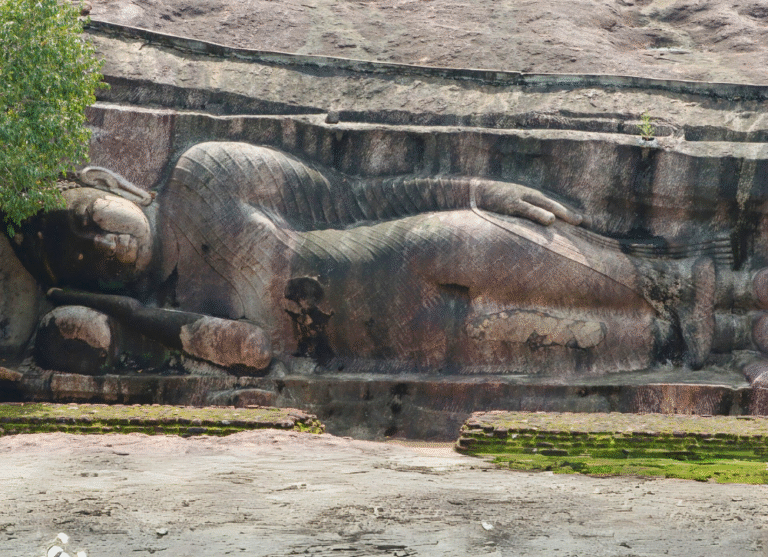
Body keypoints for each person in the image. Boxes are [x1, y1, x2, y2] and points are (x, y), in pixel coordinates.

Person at [13, 141, 732, 376]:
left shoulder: (208, 173)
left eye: (85, 221)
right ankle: (730, 333)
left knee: (656, 283)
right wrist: (124, 311)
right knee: (639, 336)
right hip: (407, 340)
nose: (101, 243)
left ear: (103, 183)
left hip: (409, 246)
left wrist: (481, 188)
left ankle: (730, 281)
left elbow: (358, 195)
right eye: (80, 259)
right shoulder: (167, 312)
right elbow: (252, 351)